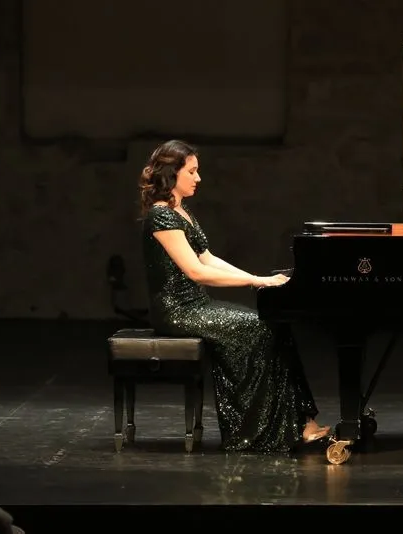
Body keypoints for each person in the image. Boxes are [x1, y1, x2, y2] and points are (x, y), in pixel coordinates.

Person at [137, 139, 330, 452]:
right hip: (178, 311)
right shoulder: (162, 216)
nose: (198, 178)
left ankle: (300, 422)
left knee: (273, 324)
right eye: (192, 171)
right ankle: (262, 430)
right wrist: (254, 280)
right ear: (173, 174)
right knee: (259, 328)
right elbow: (196, 272)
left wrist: (259, 280)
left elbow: (208, 258)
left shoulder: (180, 211)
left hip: (196, 305)